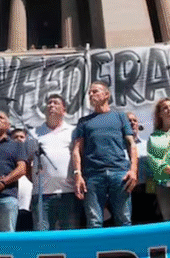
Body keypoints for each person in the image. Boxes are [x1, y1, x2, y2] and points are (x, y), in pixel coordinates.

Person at [72, 81, 137, 228]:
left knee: (124, 219)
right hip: (93, 175)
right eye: (90, 92)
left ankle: (125, 244)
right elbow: (76, 150)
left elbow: (131, 145)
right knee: (94, 222)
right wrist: (78, 174)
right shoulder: (83, 122)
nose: (91, 94)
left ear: (106, 95)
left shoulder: (120, 117)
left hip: (119, 173)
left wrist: (133, 170)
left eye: (95, 91)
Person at [31, 94, 79, 230]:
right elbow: (27, 164)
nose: (51, 105)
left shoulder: (73, 131)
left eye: (56, 103)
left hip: (68, 193)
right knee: (42, 237)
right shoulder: (34, 133)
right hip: (42, 196)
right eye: (49, 103)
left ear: (64, 110)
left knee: (69, 236)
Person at [127, 111, 159, 224]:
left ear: (138, 124)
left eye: (134, 121)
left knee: (151, 218)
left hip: (148, 189)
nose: (132, 123)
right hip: (128, 190)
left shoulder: (147, 144)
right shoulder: (120, 147)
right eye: (128, 121)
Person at [10, 128, 34, 231]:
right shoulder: (8, 158)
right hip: (12, 207)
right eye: (15, 137)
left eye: (22, 137)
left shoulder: (33, 158)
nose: (19, 139)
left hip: (29, 208)